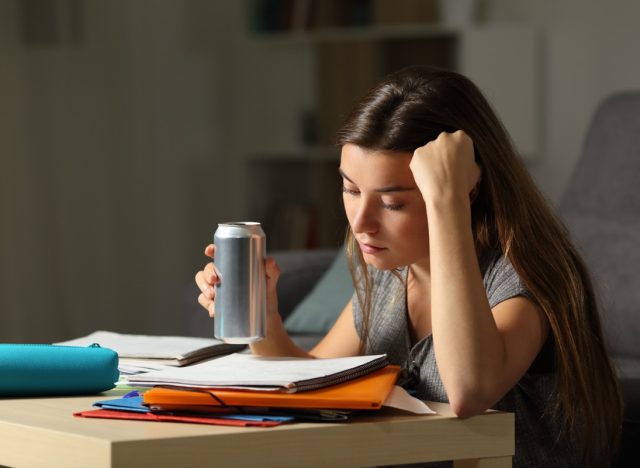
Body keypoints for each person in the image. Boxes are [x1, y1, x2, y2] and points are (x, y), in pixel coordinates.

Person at [195, 65, 621, 467]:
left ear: (465, 190)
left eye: (392, 202)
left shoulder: (523, 277)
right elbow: (312, 377)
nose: (360, 223)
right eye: (350, 189)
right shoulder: (391, 275)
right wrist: (265, 318)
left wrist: (448, 203)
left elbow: (469, 391)